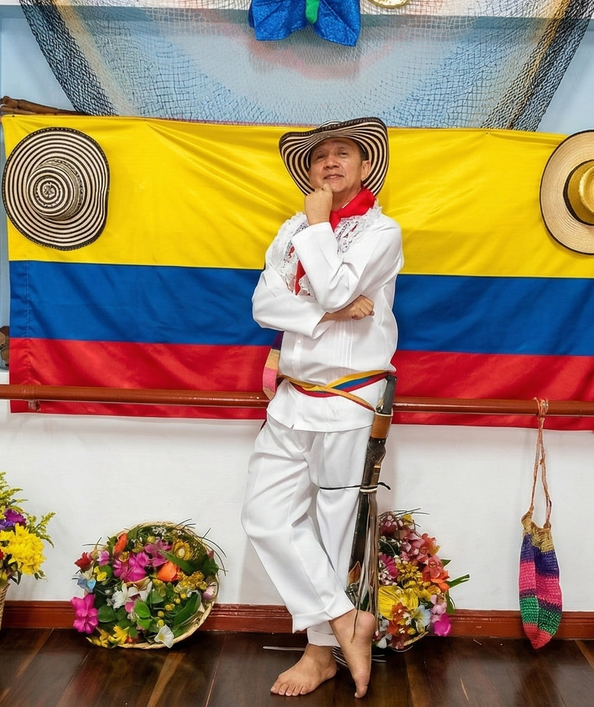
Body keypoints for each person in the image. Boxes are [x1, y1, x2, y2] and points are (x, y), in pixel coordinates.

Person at [241, 117, 403, 699]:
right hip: (291, 399)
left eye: (343, 154)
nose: (330, 162)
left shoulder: (382, 232)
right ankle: (344, 619)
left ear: (365, 166)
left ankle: (319, 654)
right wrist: (330, 312)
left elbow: (334, 285)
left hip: (349, 400)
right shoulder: (291, 229)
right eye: (319, 156)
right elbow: (263, 304)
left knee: (336, 530)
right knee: (264, 516)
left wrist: (317, 228)